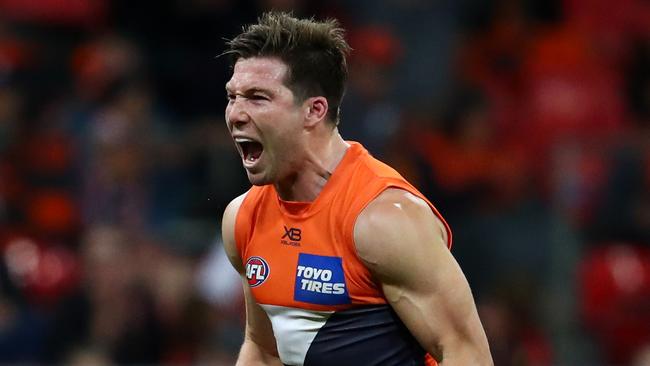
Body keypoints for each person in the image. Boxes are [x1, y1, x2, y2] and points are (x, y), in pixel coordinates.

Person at [220, 12, 493, 366]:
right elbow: (262, 348)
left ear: (314, 111)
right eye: (233, 97)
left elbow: (466, 352)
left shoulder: (382, 219)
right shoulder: (243, 218)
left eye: (257, 98)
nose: (236, 114)